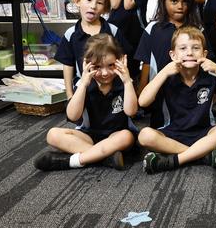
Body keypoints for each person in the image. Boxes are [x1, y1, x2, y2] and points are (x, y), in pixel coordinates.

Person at [138, 27, 216, 173]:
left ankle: (175, 160)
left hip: (204, 134)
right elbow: (143, 102)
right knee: (144, 135)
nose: (189, 52)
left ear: (204, 54)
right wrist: (163, 72)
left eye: (195, 48)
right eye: (183, 48)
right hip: (172, 134)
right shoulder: (167, 77)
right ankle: (202, 156)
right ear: (173, 55)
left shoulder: (210, 77)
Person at [34, 34, 138, 171]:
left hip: (116, 136)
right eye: (97, 67)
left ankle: (72, 161)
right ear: (86, 64)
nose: (105, 73)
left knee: (126, 136)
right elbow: (73, 116)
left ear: (121, 60)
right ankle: (105, 157)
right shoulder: (84, 84)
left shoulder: (124, 83)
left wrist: (126, 81)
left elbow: (131, 111)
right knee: (52, 134)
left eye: (111, 65)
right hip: (88, 136)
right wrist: (83, 84)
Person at [134, 0, 206, 127]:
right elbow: (146, 61)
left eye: (185, 1)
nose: (180, 6)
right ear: (163, 1)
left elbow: (205, 62)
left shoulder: (197, 30)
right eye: (174, 1)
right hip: (160, 91)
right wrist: (142, 88)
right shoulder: (153, 28)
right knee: (159, 128)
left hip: (190, 91)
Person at [54, 0, 131, 99]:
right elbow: (68, 65)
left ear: (105, 8)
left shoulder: (113, 31)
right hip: (85, 88)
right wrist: (70, 95)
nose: (93, 6)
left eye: (99, 3)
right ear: (77, 0)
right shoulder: (71, 34)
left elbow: (123, 59)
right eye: (88, 0)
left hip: (114, 88)